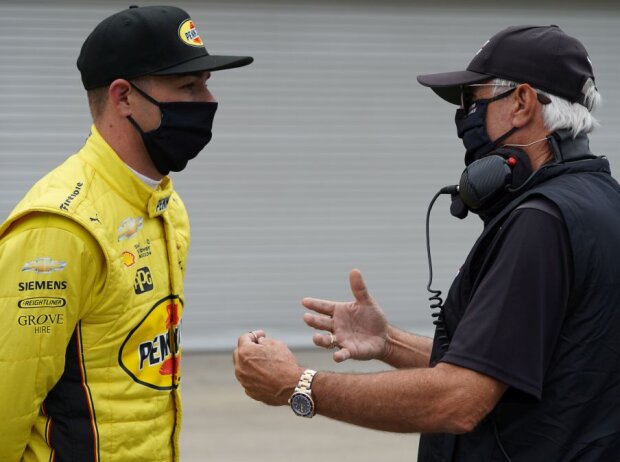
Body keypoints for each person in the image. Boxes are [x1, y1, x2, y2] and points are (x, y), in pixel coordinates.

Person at [234, 25, 620, 461]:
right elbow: (511, 365)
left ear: (521, 102)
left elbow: (459, 399)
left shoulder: (539, 222)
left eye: (473, 100)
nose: (465, 118)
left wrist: (297, 384)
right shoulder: (602, 201)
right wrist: (389, 344)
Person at [0, 5, 252, 461]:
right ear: (123, 97)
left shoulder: (166, 205)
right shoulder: (61, 227)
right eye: (188, 86)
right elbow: (5, 401)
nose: (209, 100)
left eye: (207, 84)